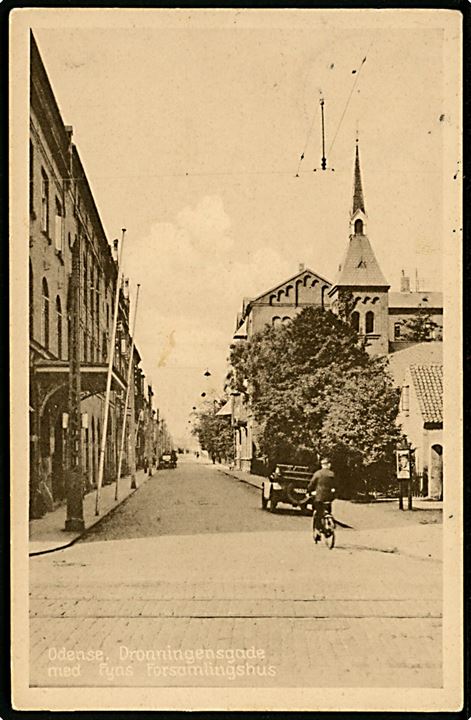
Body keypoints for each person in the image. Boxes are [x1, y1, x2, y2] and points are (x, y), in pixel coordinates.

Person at [307, 458, 336, 542]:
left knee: (318, 514)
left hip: (319, 497)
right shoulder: (332, 474)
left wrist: (308, 491)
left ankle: (318, 531)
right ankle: (329, 524)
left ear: (322, 465)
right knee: (327, 510)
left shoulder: (318, 474)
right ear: (328, 465)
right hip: (329, 497)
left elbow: (311, 484)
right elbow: (336, 485)